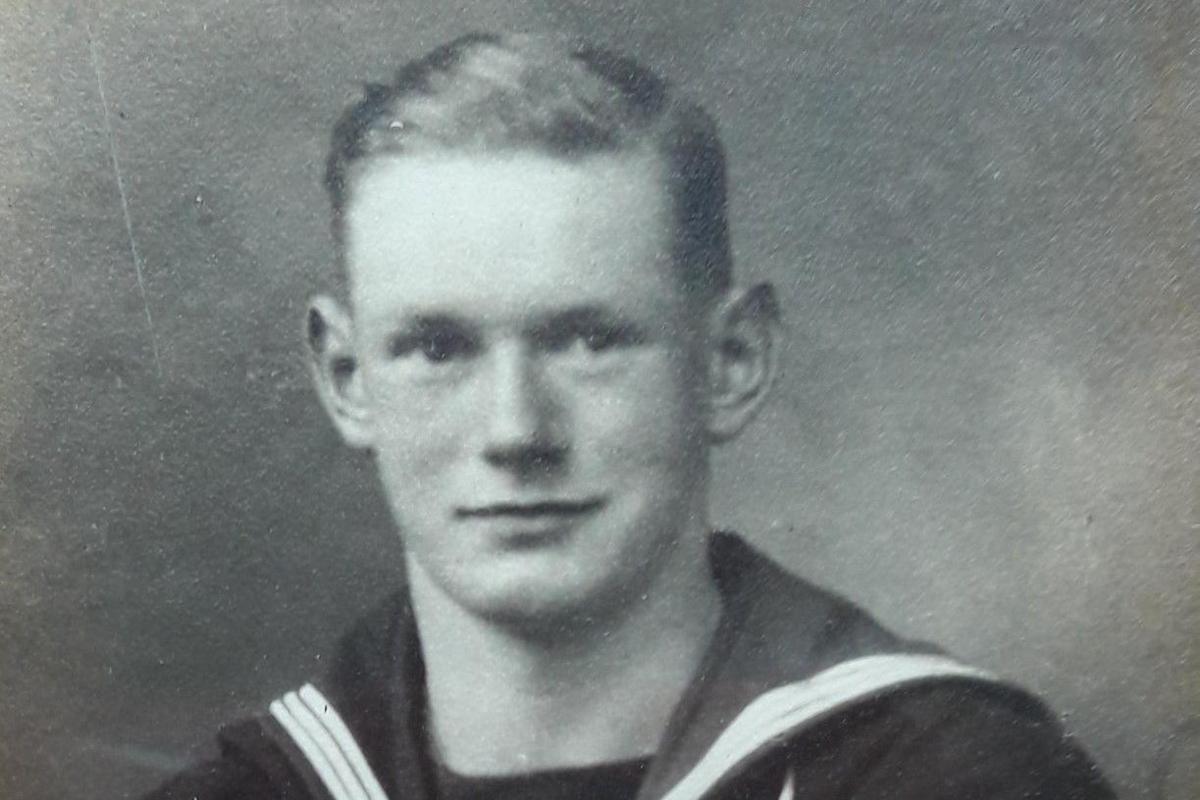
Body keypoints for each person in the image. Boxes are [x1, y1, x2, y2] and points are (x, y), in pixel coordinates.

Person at [145, 32, 1114, 800]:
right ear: (348, 375)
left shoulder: (966, 778)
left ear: (732, 361)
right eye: (438, 347)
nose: (517, 429)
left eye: (588, 339)